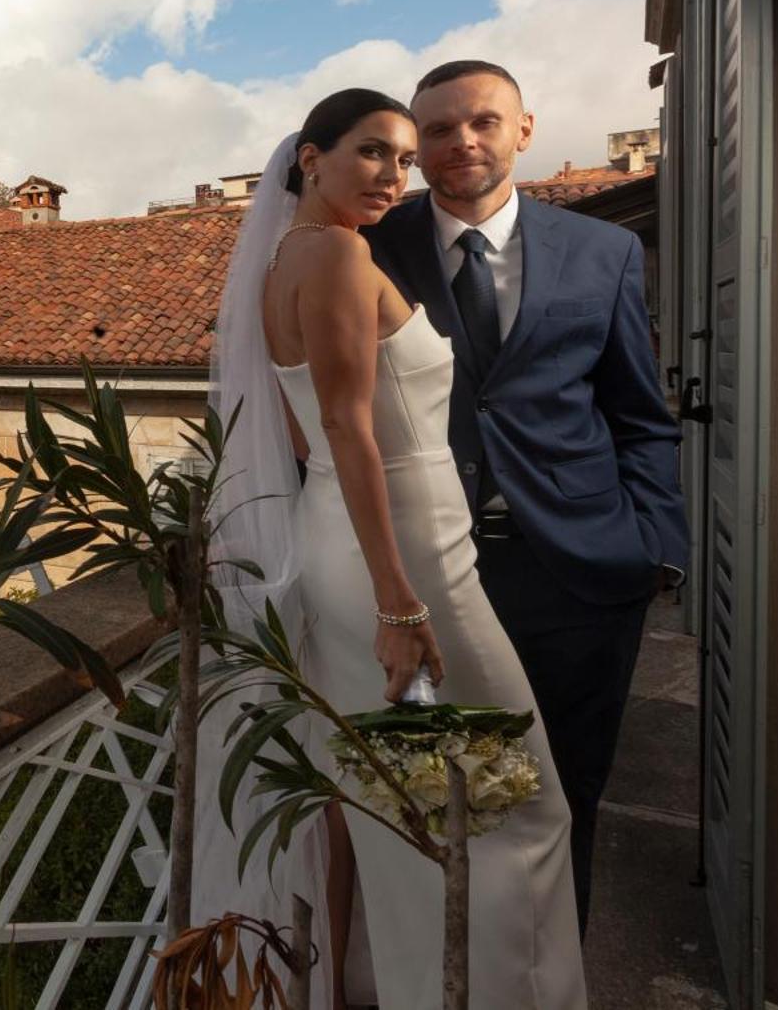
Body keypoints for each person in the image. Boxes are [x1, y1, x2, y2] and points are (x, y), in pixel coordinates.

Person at [209, 88, 585, 1008]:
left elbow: (303, 437)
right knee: (522, 805)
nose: (395, 174)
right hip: (407, 563)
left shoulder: (285, 262)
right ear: (310, 158)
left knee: (414, 811)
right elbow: (343, 427)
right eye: (374, 152)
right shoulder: (335, 253)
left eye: (404, 160)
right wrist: (399, 601)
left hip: (365, 544)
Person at [364, 60, 689, 932]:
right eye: (436, 129)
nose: (460, 141)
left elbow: (639, 412)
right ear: (417, 146)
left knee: (569, 794)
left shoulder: (604, 250)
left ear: (525, 128)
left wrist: (653, 545)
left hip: (581, 575)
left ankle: (557, 975)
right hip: (429, 577)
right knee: (436, 799)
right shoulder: (370, 248)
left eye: (482, 121)